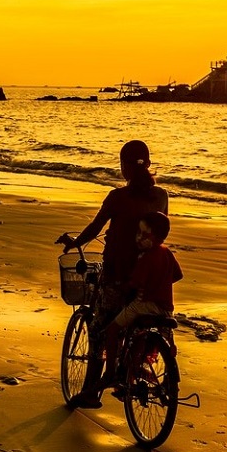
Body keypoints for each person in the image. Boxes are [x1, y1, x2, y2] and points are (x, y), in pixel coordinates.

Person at [57, 140, 168, 406]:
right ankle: (129, 374)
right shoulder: (161, 196)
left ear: (124, 168)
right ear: (149, 164)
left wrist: (74, 243)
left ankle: (92, 392)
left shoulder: (117, 197)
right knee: (137, 325)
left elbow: (95, 227)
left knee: (98, 328)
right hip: (151, 275)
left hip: (119, 274)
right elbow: (161, 230)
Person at [70, 211, 182, 408]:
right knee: (141, 340)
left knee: (112, 329)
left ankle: (111, 372)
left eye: (144, 235)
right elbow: (177, 275)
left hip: (143, 304)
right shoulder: (167, 253)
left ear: (157, 237)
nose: (138, 238)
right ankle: (136, 370)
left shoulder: (146, 257)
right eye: (138, 233)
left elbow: (133, 284)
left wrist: (124, 286)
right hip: (166, 309)